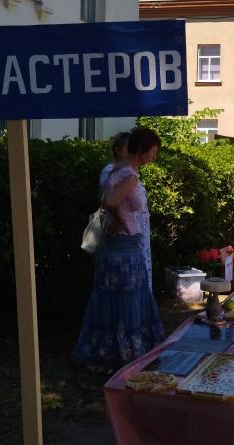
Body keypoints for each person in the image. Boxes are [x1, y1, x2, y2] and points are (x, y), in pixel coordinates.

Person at [74, 127, 164, 370]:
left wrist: (119, 219)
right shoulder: (128, 175)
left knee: (118, 298)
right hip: (122, 248)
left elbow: (109, 201)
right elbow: (110, 201)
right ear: (142, 150)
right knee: (126, 299)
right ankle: (125, 352)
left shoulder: (119, 170)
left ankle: (111, 350)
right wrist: (122, 221)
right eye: (153, 151)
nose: (154, 156)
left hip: (124, 246)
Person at [99, 132, 152, 291]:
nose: (131, 153)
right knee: (127, 284)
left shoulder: (127, 172)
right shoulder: (112, 171)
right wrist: (120, 220)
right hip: (124, 235)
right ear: (118, 149)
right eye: (128, 148)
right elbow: (109, 200)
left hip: (134, 232)